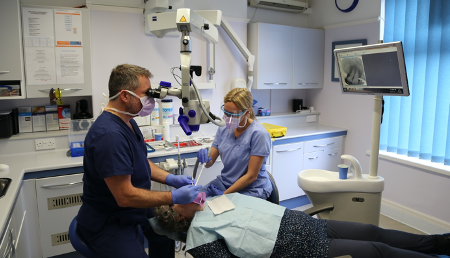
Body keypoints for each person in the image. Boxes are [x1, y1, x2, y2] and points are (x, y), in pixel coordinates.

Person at [77, 64, 202, 258]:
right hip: (110, 222)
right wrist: (173, 197)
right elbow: (125, 196)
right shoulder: (109, 135)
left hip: (132, 210)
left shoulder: (128, 122)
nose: (150, 100)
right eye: (146, 94)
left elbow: (140, 161)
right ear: (125, 96)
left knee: (167, 233)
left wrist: (170, 178)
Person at [153, 193, 450, 258]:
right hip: (302, 247)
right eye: (183, 198)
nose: (193, 193)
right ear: (180, 216)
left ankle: (439, 243)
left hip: (308, 224)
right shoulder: (199, 238)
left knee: (373, 231)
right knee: (376, 250)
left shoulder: (216, 200)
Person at [197, 88, 273, 199]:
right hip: (225, 183)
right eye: (226, 113)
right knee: (194, 200)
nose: (228, 118)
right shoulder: (223, 128)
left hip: (251, 189)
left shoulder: (259, 134)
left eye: (233, 115)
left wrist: (224, 195)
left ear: (247, 112)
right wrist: (205, 158)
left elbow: (251, 176)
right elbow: (210, 162)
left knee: (219, 210)